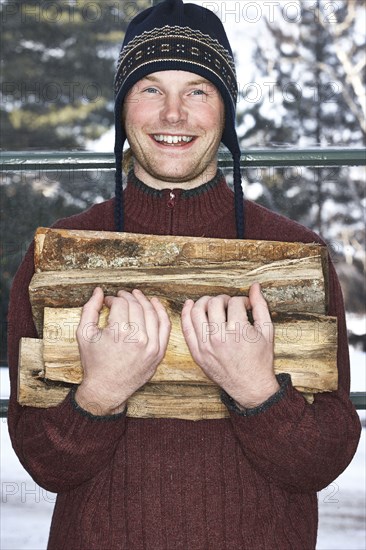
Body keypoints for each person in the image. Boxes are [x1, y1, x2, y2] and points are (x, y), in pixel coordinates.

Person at [7, 1, 361, 549]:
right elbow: (44, 464)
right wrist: (101, 393)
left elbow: (324, 459)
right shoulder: (56, 257)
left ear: (226, 107)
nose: (174, 115)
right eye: (151, 88)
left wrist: (256, 391)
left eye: (198, 89)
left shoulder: (298, 253)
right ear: (123, 106)